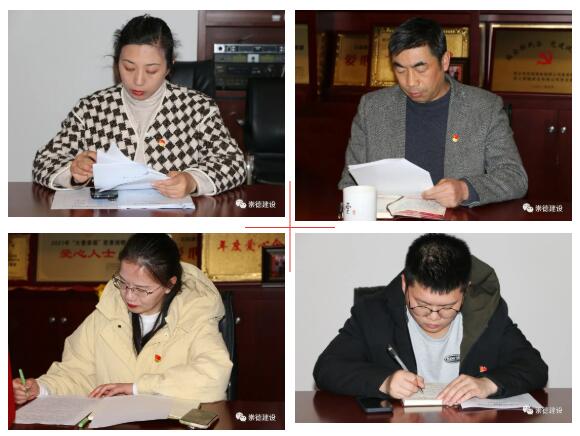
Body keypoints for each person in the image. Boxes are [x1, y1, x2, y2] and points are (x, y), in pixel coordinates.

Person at [313, 234, 547, 405]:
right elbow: (327, 368)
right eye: (422, 305)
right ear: (404, 285)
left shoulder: (488, 312)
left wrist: (487, 384)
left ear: (465, 290)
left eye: (447, 307)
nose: (434, 317)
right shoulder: (373, 313)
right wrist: (384, 381)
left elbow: (535, 368)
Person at [32, 15, 246, 198]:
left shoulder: (198, 108)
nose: (138, 80)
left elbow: (234, 163)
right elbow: (44, 161)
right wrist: (73, 172)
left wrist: (192, 181)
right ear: (117, 63)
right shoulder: (91, 109)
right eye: (128, 68)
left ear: (169, 66)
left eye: (151, 70)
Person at [12, 234, 232, 403]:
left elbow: (213, 375)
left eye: (141, 289)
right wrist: (41, 388)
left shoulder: (195, 315)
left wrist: (136, 388)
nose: (129, 296)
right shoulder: (106, 313)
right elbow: (77, 373)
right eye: (123, 283)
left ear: (169, 285)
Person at [338, 17, 528, 208]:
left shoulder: (484, 108)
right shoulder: (373, 108)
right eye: (401, 70)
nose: (410, 82)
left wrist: (464, 189)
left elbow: (514, 178)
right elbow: (350, 181)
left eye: (420, 69)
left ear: (444, 61)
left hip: (455, 220)